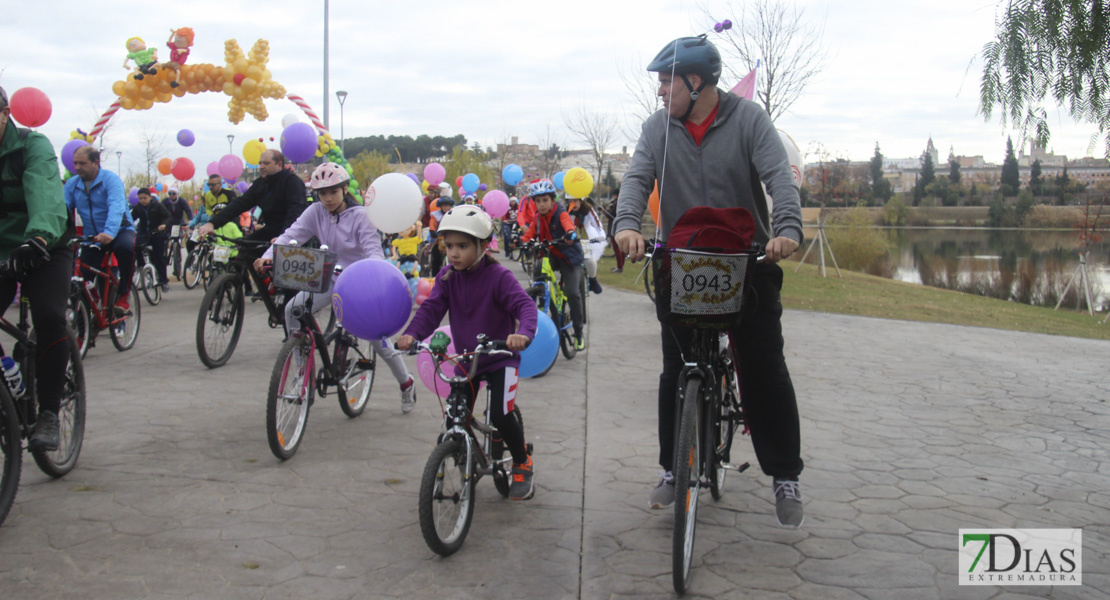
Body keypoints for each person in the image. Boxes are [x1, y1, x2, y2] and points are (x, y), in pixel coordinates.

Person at [612, 34, 806, 528]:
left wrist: (786, 230)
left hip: (747, 261)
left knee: (763, 368)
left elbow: (778, 178)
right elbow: (636, 179)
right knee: (676, 370)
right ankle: (673, 469)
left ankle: (785, 475)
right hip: (682, 264)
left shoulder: (749, 120)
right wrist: (627, 224)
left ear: (696, 83)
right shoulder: (658, 129)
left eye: (666, 82)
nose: (659, 92)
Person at [396, 205, 539, 500]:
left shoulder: (499, 277)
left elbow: (525, 306)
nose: (454, 253)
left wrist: (522, 334)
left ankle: (522, 461)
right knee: (453, 418)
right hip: (467, 360)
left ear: (483, 246)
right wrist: (412, 334)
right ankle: (462, 452)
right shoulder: (448, 276)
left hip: (501, 358)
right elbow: (432, 309)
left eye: (462, 246)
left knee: (501, 414)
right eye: (449, 246)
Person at [254, 163, 417, 413]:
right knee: (292, 310)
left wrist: (371, 271)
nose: (328, 199)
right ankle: (301, 373)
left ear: (344, 189)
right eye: (322, 193)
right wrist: (268, 255)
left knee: (378, 340)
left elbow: (373, 251)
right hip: (329, 276)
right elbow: (291, 234)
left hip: (361, 281)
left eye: (333, 192)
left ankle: (406, 382)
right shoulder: (315, 212)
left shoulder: (362, 216)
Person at [0, 84, 75, 451]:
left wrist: (39, 237)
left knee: (48, 315)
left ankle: (48, 412)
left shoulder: (33, 146)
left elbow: (44, 191)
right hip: (2, 252)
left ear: (5, 115)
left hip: (44, 245)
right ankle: (9, 380)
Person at [197, 149, 308, 264]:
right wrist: (212, 223)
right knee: (244, 250)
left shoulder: (292, 182)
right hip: (270, 231)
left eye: (266, 163)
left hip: (292, 234)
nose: (261, 166)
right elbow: (239, 204)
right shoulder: (260, 184)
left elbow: (295, 212)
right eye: (260, 163)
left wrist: (284, 237)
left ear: (279, 165)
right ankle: (239, 279)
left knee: (281, 273)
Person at [65, 145, 136, 314]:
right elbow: (63, 211)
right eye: (75, 163)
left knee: (125, 248)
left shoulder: (111, 180)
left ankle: (123, 294)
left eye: (82, 163)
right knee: (79, 281)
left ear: (96, 162)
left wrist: (110, 233)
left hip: (120, 230)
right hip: (93, 236)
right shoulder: (72, 184)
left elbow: (116, 208)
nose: (77, 167)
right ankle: (85, 333)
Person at [519, 179, 586, 350]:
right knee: (539, 272)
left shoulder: (561, 213)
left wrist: (570, 233)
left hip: (568, 255)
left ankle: (578, 333)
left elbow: (567, 224)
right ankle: (541, 296)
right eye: (538, 201)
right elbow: (530, 233)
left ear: (553, 200)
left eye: (545, 200)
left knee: (572, 293)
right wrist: (520, 241)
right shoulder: (537, 218)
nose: (541, 205)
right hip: (550, 254)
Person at [131, 187, 172, 292]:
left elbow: (167, 216)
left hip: (157, 233)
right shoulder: (138, 208)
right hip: (143, 234)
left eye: (145, 198)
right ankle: (142, 266)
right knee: (136, 247)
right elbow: (131, 218)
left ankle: (164, 281)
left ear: (150, 197)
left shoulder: (157, 205)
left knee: (159, 257)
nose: (142, 200)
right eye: (140, 198)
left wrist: (164, 224)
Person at [566, 195, 606, 294]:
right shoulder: (566, 211)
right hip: (572, 238)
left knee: (590, 261)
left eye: (575, 201)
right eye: (570, 201)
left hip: (587, 237)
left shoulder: (588, 210)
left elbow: (597, 224)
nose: (573, 204)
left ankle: (593, 280)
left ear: (581, 200)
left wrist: (601, 235)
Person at [426, 194, 454, 276]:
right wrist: (433, 232)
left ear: (450, 206)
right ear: (441, 206)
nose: (446, 207)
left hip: (451, 238)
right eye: (444, 205)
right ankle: (435, 277)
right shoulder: (435, 215)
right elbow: (432, 225)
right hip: (438, 239)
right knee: (436, 259)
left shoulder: (454, 214)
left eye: (448, 205)